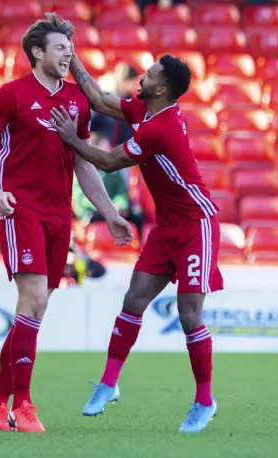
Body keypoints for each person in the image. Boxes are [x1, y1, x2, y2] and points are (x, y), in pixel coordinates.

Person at [0, 13, 133, 433]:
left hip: (60, 216)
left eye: (70, 48)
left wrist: (110, 213)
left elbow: (82, 161)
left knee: (33, 311)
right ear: (37, 53)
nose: (68, 54)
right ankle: (23, 405)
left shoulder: (77, 100)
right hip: (20, 210)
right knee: (34, 300)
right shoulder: (10, 95)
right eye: (60, 48)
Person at [50, 52, 222, 433]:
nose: (141, 78)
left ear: (161, 88)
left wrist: (70, 138)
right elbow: (97, 98)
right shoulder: (147, 111)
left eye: (148, 75)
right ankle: (109, 383)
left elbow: (109, 161)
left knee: (190, 314)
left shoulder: (159, 128)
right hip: (166, 226)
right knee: (134, 300)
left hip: (196, 224)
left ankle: (204, 401)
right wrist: (72, 57)